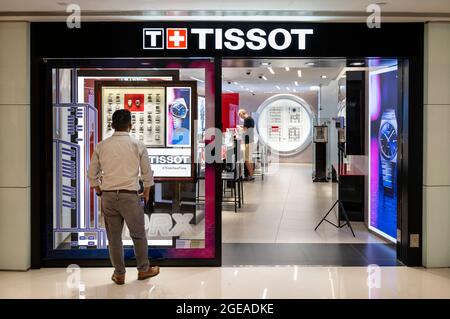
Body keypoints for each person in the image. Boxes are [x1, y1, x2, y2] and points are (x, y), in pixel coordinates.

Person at [87, 109, 159, 285]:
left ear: (112, 125)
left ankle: (119, 274)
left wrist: (99, 191)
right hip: (130, 196)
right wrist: (147, 192)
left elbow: (91, 174)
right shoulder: (137, 145)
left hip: (109, 197)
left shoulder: (101, 146)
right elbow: (147, 174)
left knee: (113, 238)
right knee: (138, 235)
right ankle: (143, 270)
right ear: (131, 125)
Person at [238, 109, 255, 181]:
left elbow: (245, 130)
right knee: (250, 159)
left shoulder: (246, 120)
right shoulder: (251, 119)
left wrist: (239, 129)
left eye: (240, 116)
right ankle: (251, 174)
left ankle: (250, 176)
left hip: (247, 141)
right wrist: (243, 127)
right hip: (251, 140)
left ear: (242, 114)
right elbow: (248, 128)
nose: (240, 118)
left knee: (246, 160)